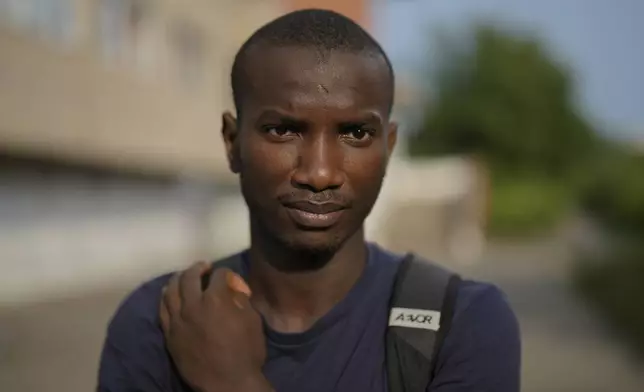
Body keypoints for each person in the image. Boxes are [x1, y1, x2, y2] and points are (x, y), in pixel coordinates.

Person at [98, 9, 520, 392]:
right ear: (232, 143)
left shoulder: (464, 323)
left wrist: (237, 384)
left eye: (356, 133)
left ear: (388, 148)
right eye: (283, 130)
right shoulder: (159, 323)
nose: (319, 173)